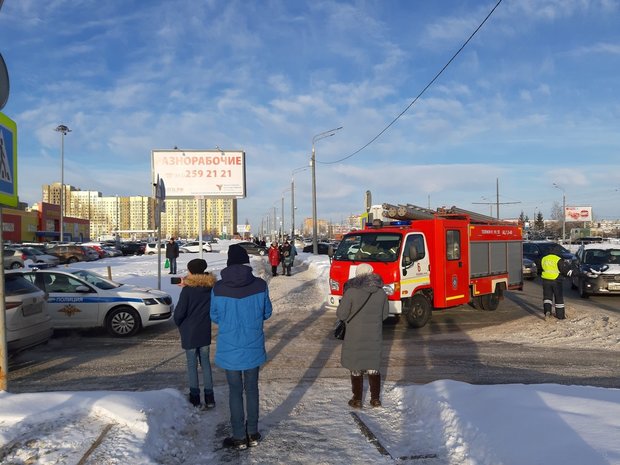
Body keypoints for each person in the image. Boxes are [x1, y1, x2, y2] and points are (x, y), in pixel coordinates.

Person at [210, 244, 273, 450]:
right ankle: (253, 433)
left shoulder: (218, 288)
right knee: (252, 389)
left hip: (229, 346)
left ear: (228, 263)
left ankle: (239, 436)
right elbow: (267, 312)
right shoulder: (260, 285)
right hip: (252, 344)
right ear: (246, 262)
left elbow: (214, 316)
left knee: (235, 391)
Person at [336, 263, 389, 408]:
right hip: (374, 335)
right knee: (373, 367)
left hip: (355, 335)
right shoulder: (381, 293)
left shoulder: (351, 292)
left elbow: (341, 314)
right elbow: (384, 315)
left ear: (357, 275)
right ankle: (375, 399)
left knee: (356, 367)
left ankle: (357, 400)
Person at [173, 258, 217, 409]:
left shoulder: (187, 290)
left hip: (189, 331)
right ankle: (210, 398)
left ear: (191, 271)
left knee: (192, 365)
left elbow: (179, 313)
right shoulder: (211, 288)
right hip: (204, 329)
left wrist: (179, 323)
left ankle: (195, 398)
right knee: (206, 364)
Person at [541, 246, 573, 320]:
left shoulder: (544, 258)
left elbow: (541, 267)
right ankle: (560, 315)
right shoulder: (558, 259)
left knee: (547, 298)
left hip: (545, 280)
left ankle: (547, 312)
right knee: (559, 298)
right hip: (556, 281)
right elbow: (564, 270)